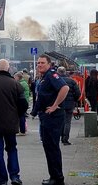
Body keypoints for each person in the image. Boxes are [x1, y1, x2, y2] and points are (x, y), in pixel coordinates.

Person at [32, 55, 69, 185]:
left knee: (52, 148)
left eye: (42, 63)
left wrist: (54, 105)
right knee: (48, 147)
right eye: (38, 63)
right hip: (46, 117)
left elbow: (65, 88)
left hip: (53, 117)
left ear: (49, 64)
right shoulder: (44, 77)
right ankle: (54, 176)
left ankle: (57, 178)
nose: (39, 65)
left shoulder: (51, 75)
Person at [57, 67, 80, 146]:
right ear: (65, 72)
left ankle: (60, 136)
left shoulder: (56, 81)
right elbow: (78, 93)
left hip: (59, 104)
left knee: (60, 121)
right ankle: (65, 139)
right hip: (70, 104)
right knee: (67, 122)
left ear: (58, 72)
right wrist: (74, 100)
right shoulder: (71, 81)